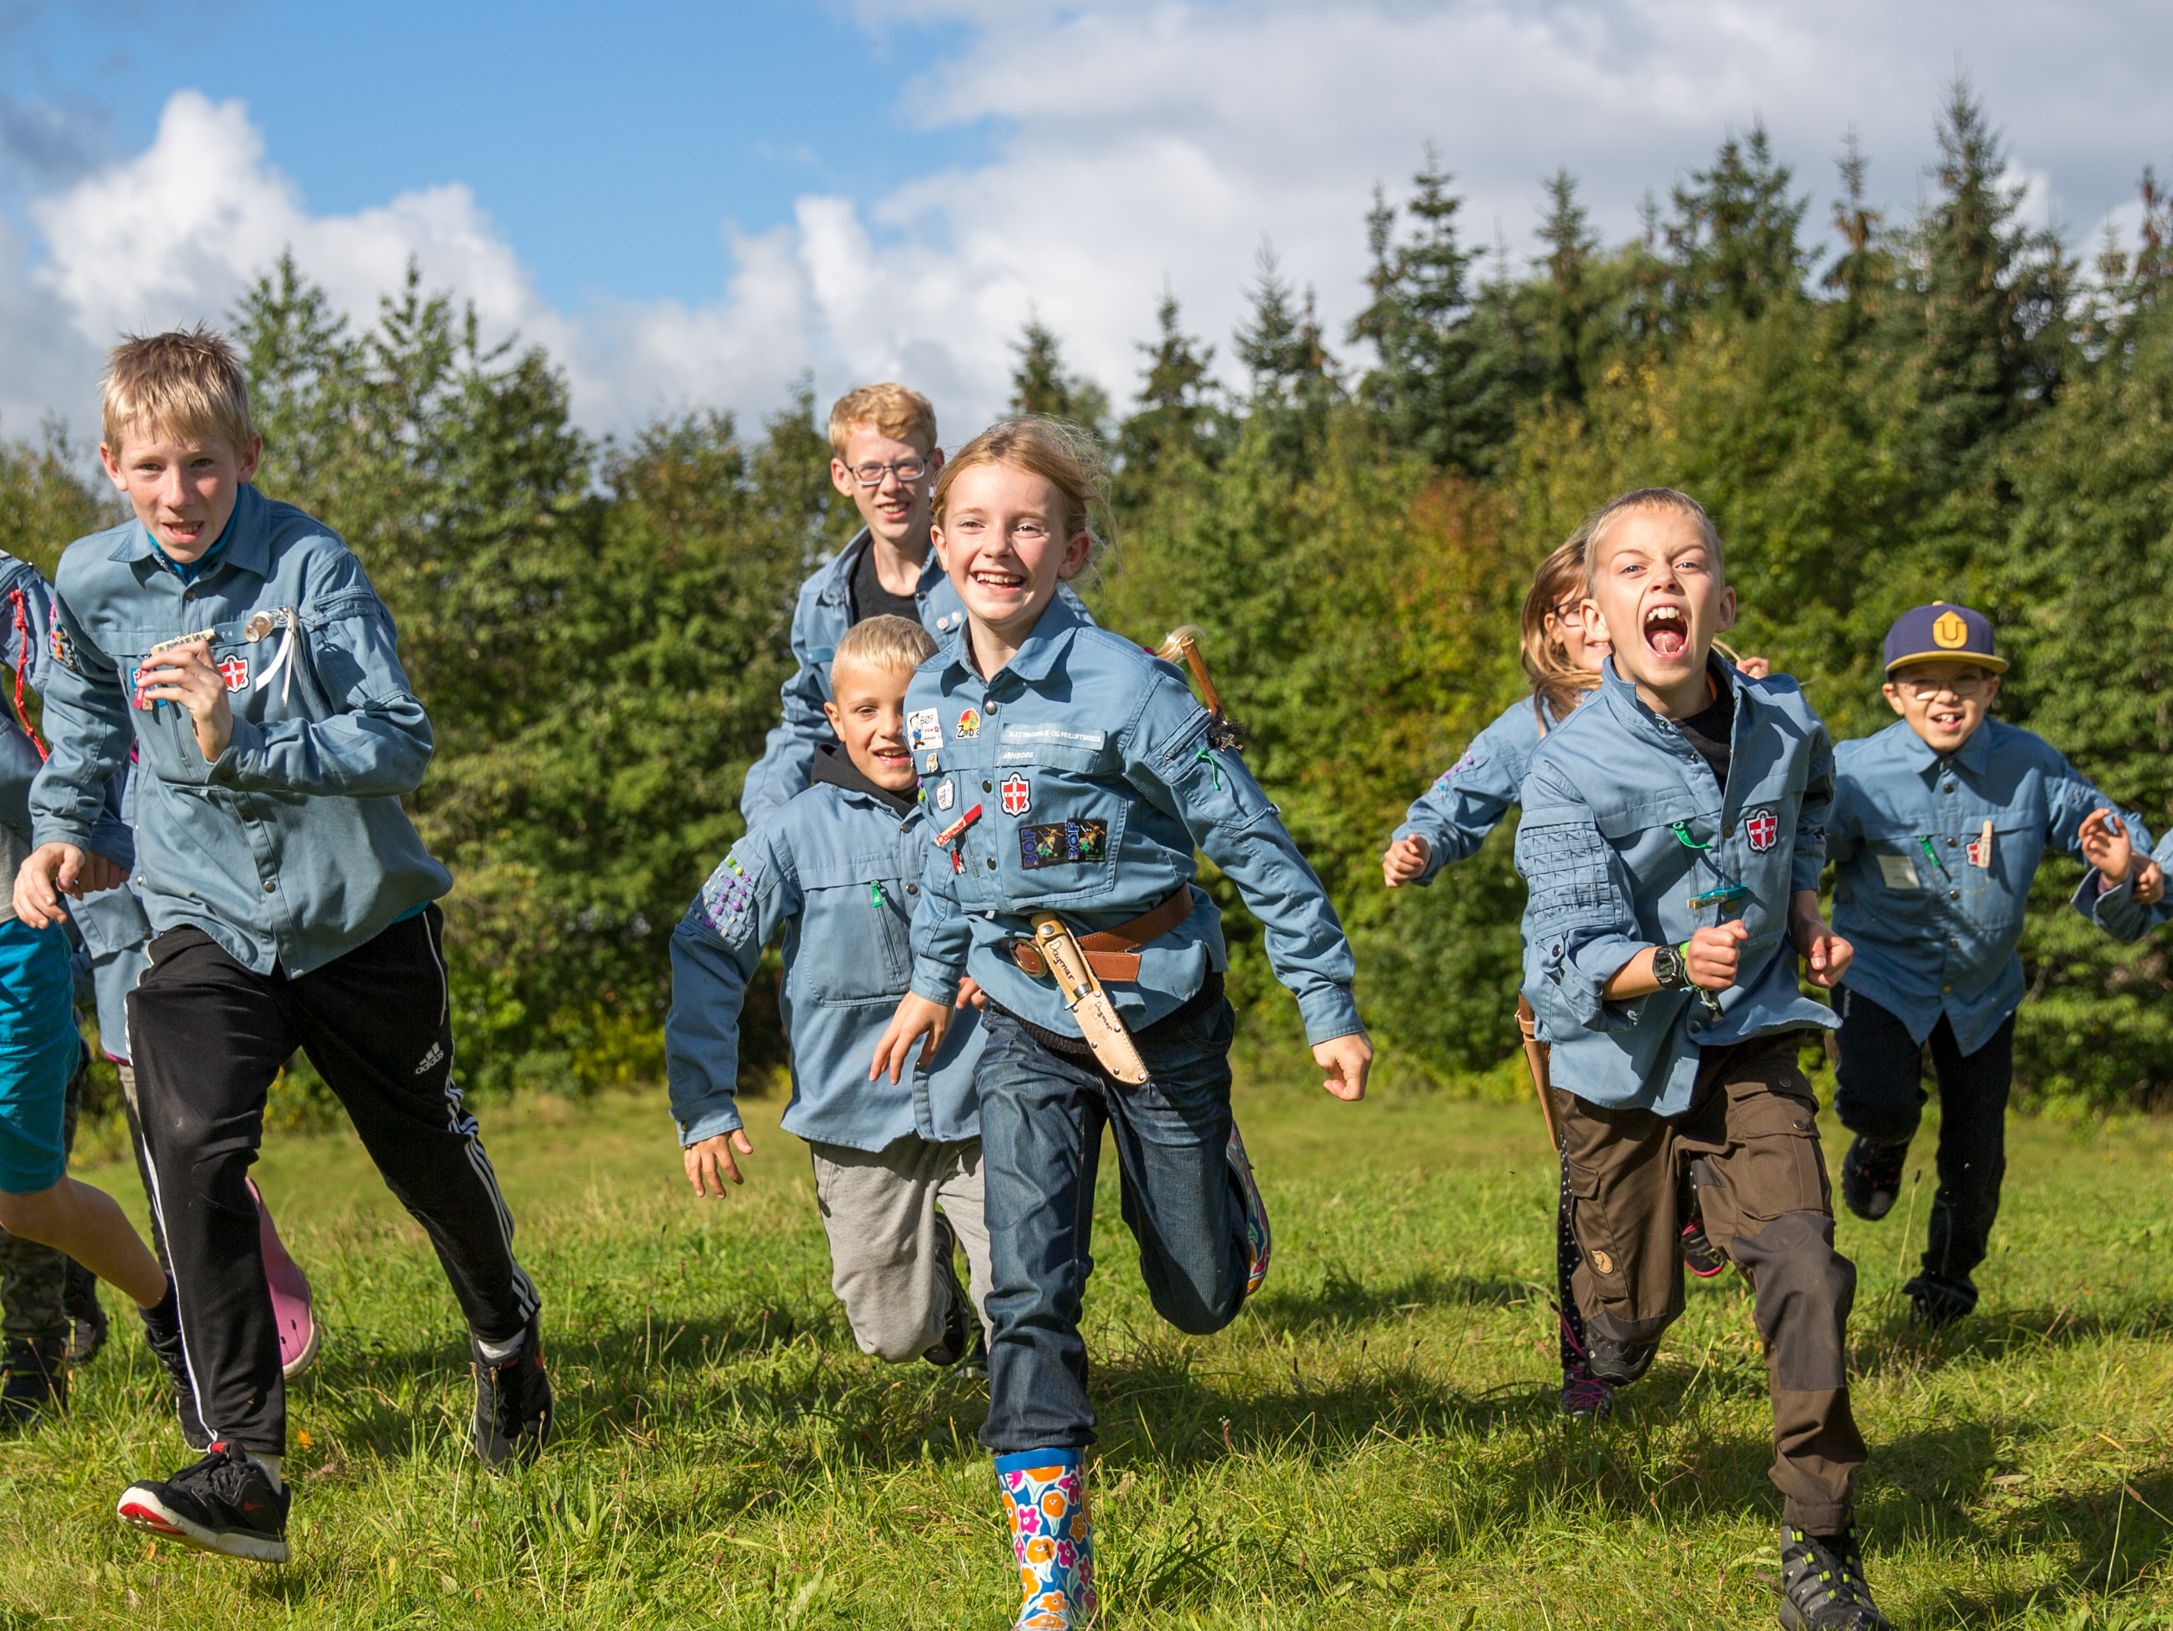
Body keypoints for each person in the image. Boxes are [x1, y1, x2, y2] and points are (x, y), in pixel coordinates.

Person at [17, 326, 547, 1564]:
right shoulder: (90, 580)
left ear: (246, 456)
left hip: (358, 921)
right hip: (199, 920)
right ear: (110, 464)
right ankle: (244, 1462)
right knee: (188, 1141)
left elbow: (400, 738)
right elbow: (88, 725)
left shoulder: (309, 565)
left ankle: (504, 1333)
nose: (178, 492)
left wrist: (239, 741)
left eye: (203, 465)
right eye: (150, 467)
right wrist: (59, 832)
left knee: (428, 1164)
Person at [870, 417, 1373, 1631]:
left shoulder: (1129, 687)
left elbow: (1250, 840)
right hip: (1025, 1020)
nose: (1001, 545)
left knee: (1197, 1295)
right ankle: (1057, 1579)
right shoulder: (933, 694)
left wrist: (1325, 999)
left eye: (1029, 524)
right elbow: (950, 858)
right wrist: (938, 978)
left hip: (1160, 1012)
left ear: (1073, 547)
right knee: (1028, 1288)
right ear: (937, 545)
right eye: (975, 523)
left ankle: (1219, 1199)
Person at [1514, 487, 1889, 1630]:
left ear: (1720, 596)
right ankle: (1608, 1317)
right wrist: (1672, 962)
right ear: (1596, 609)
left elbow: (1813, 799)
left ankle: (1820, 1543)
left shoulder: (1781, 720)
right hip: (1617, 1066)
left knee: (1804, 1266)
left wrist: (1807, 904)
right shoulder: (1567, 769)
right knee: (1633, 1313)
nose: (1662, 583)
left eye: (1686, 564)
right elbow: (1565, 959)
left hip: (1753, 1040)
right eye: (1632, 569)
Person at [669, 614, 991, 1372]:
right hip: (855, 1117)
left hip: (985, 1096)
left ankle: (1021, 1389)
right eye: (868, 710)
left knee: (1023, 1291)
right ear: (834, 718)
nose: (891, 730)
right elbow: (707, 944)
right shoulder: (791, 832)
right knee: (894, 1332)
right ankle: (940, 1310)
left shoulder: (981, 810)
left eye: (909, 709)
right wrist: (704, 1103)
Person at [1826, 603, 2154, 1327]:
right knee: (1879, 1100)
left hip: (1981, 992)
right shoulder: (1851, 771)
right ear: (1893, 693)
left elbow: (2109, 829)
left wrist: (2127, 866)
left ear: (1990, 690)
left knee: (1975, 1158)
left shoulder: (2028, 764)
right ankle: (1880, 1144)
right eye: (1926, 682)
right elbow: (1791, 856)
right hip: (1880, 976)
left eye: (1966, 680)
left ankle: (1943, 1289)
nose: (1946, 696)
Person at [0, 543, 192, 1434]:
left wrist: (96, 822)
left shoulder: (9, 589)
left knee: (24, 1199)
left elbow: (84, 695)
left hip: (11, 926)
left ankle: (169, 1310)